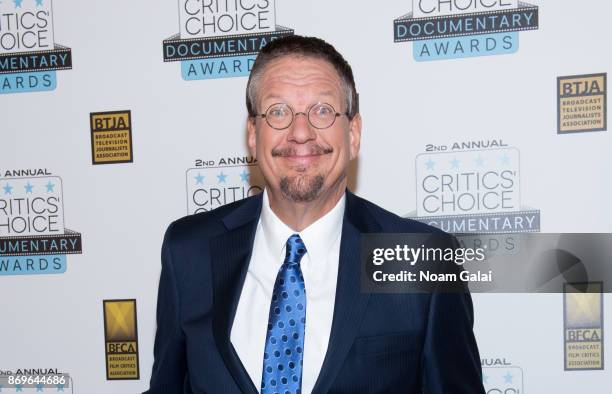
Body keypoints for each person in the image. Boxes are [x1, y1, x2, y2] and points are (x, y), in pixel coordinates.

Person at [145, 35, 485, 394]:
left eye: (322, 110)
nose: (301, 133)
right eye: (278, 111)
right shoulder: (188, 251)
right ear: (252, 134)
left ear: (353, 134)